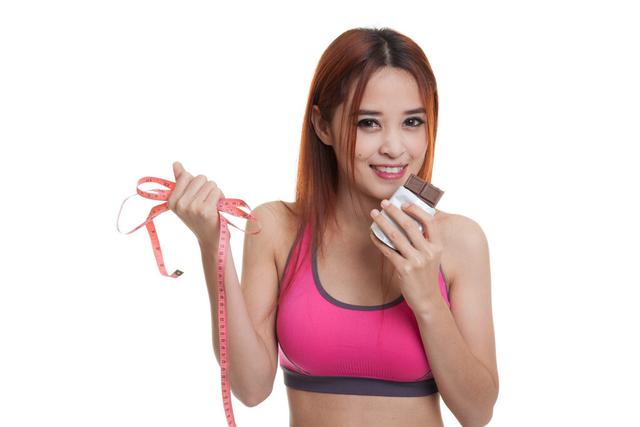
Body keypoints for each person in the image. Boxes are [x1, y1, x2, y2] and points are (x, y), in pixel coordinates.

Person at [167, 26, 499, 427]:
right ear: (323, 125)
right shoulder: (277, 229)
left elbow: (477, 412)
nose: (395, 147)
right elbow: (251, 388)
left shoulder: (459, 242)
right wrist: (211, 245)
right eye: (368, 123)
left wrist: (428, 299)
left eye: (412, 121)